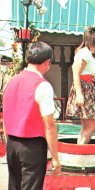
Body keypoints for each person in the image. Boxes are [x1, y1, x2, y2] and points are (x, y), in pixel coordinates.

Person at [3, 41, 61, 189]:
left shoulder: (11, 81)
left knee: (14, 186)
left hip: (12, 143)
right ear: (48, 62)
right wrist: (55, 157)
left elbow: (5, 116)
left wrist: (8, 141)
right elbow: (49, 125)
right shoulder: (43, 86)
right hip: (32, 146)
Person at [66, 26, 95, 144]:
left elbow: (85, 73)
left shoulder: (88, 53)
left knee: (87, 126)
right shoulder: (84, 53)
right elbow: (76, 73)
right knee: (92, 125)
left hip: (88, 87)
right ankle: (81, 151)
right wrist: (79, 94)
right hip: (84, 89)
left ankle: (80, 150)